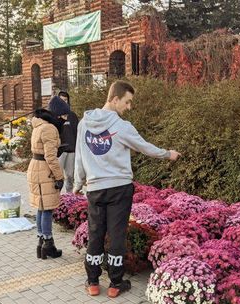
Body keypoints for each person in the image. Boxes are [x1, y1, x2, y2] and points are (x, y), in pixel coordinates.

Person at [73, 80, 181, 298]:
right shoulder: (121, 127)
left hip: (94, 188)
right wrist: (168, 154)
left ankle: (93, 282)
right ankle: (115, 284)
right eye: (127, 102)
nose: (129, 107)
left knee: (95, 233)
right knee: (117, 235)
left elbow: (79, 156)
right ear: (114, 99)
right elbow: (144, 147)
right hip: (119, 189)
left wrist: (77, 183)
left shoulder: (84, 124)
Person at [27, 108, 65, 260]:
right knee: (47, 208)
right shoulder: (49, 128)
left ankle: (41, 243)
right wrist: (59, 176)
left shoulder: (37, 127)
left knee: (41, 208)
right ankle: (48, 244)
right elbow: (50, 156)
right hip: (44, 170)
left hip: (35, 167)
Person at [50, 92, 79, 193]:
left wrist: (77, 148)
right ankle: (56, 195)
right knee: (58, 175)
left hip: (71, 150)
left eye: (65, 100)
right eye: (61, 100)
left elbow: (77, 132)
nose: (64, 102)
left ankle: (69, 196)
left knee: (70, 175)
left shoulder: (72, 115)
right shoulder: (54, 117)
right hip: (60, 151)